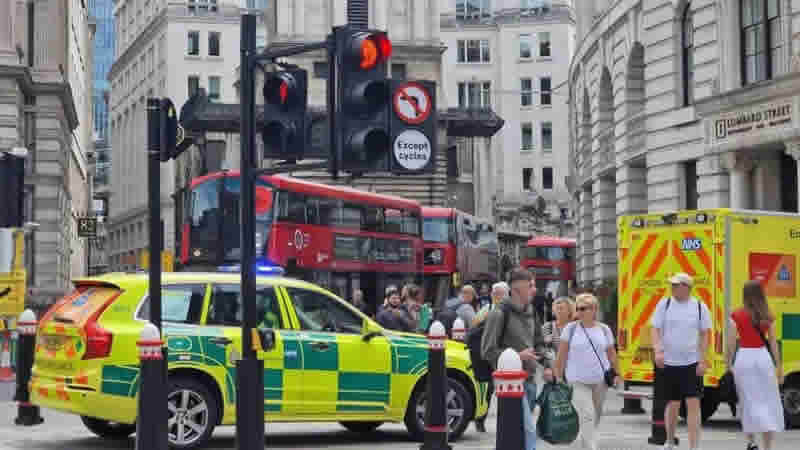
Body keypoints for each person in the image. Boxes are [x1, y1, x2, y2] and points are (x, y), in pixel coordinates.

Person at [481, 268, 552, 450]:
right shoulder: (498, 314)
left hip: (529, 382)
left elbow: (538, 343)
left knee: (520, 432)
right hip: (509, 385)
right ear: (517, 289)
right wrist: (518, 356)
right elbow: (487, 351)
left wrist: (547, 366)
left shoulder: (531, 311)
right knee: (528, 432)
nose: (535, 289)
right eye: (531, 285)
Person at [651, 272, 712, 450]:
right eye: (672, 285)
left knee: (693, 404)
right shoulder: (665, 304)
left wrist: (702, 360)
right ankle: (670, 441)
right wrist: (658, 350)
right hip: (669, 363)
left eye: (676, 285)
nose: (672, 288)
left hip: (691, 363)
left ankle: (694, 446)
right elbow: (655, 328)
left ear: (686, 287)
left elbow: (704, 336)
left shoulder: (700, 307)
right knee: (673, 404)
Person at [553, 293, 621, 450]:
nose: (579, 312)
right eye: (578, 308)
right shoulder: (570, 329)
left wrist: (617, 374)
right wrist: (558, 378)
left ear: (594, 309)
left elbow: (611, 353)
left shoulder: (604, 329)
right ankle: (591, 447)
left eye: (583, 308)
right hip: (576, 380)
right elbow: (561, 356)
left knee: (594, 417)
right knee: (587, 415)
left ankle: (586, 444)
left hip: (600, 381)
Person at [727, 280, 784, 450]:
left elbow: (730, 343)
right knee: (768, 401)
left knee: (747, 400)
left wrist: (728, 362)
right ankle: (768, 446)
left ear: (745, 295)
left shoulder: (736, 315)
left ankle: (751, 442)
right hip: (763, 358)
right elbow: (773, 343)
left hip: (744, 358)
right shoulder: (768, 315)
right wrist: (778, 366)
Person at [470, 281, 509, 432]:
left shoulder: (509, 310)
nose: (496, 296)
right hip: (488, 356)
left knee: (506, 389)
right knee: (488, 389)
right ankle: (481, 418)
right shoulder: (486, 310)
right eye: (494, 293)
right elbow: (473, 328)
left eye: (499, 293)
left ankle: (505, 421)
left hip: (505, 355)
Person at [542, 297, 575, 362]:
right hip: (553, 366)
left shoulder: (576, 328)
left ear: (569, 311)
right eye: (556, 308)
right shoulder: (547, 327)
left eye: (561, 308)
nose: (559, 311)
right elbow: (540, 348)